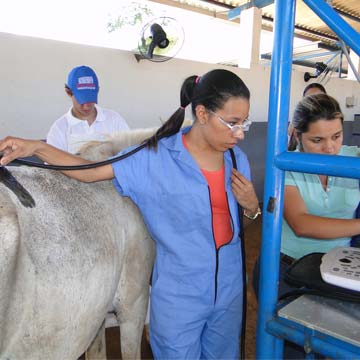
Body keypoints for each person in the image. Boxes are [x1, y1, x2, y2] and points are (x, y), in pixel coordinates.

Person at [0, 69, 260, 359]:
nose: (239, 133)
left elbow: (234, 229)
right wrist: (37, 147)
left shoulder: (238, 161)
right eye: (232, 123)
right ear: (201, 113)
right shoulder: (154, 158)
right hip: (180, 295)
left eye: (244, 123)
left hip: (230, 291)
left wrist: (251, 207)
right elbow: (89, 172)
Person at [47, 65, 129, 154]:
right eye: (81, 100)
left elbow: (129, 154)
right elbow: (52, 164)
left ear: (97, 90)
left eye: (90, 99)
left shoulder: (114, 120)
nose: (86, 106)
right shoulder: (59, 129)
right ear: (68, 92)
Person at [288, 82, 327, 150]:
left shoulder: (333, 122)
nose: (314, 102)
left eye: (318, 98)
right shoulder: (295, 124)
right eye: (309, 99)